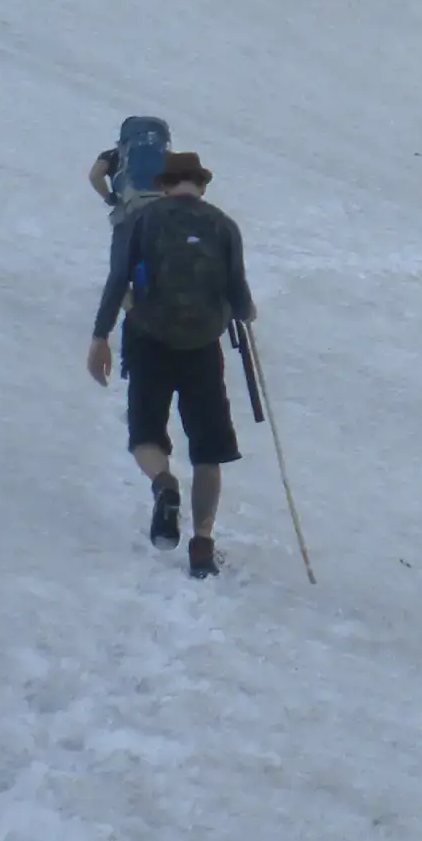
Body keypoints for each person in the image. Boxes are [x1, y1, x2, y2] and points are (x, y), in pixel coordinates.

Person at [85, 151, 256, 579]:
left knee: (146, 433)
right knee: (208, 450)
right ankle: (202, 544)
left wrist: (100, 336)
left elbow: (117, 280)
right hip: (202, 349)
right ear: (201, 184)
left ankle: (163, 483)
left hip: (148, 339)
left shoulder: (140, 221)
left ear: (164, 185)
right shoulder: (224, 227)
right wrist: (244, 314)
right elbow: (241, 300)